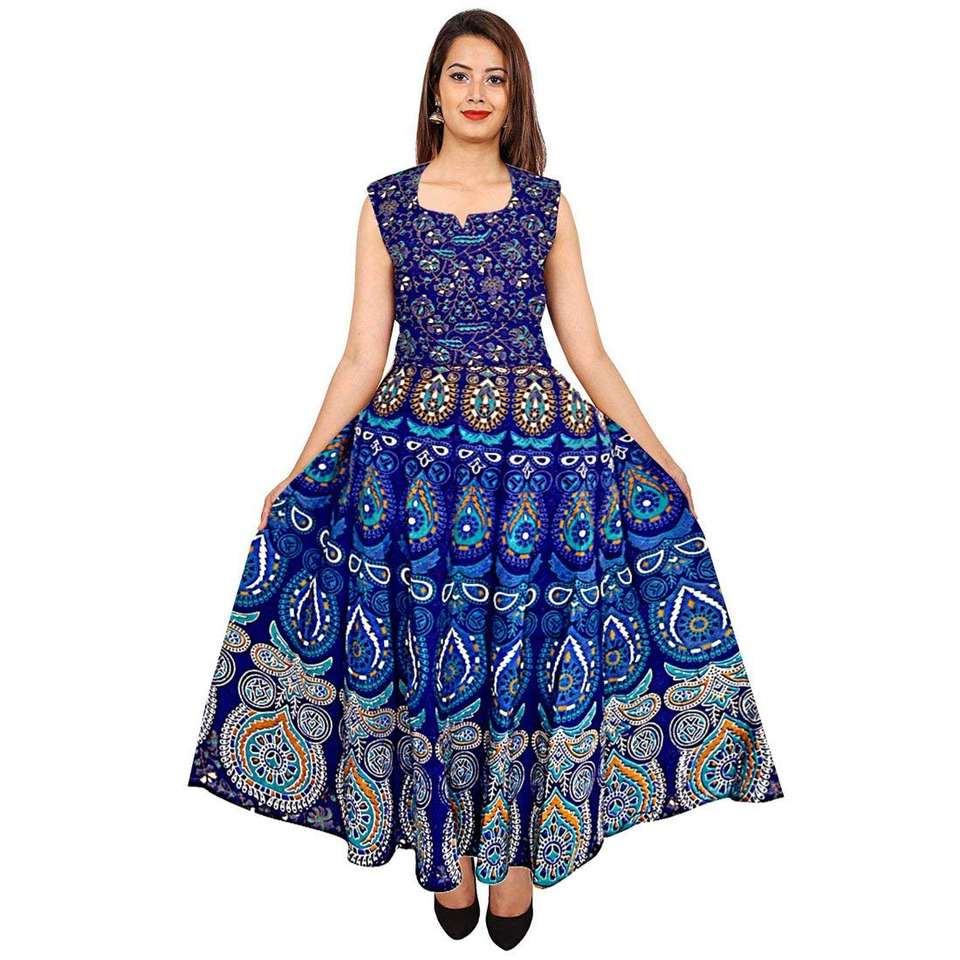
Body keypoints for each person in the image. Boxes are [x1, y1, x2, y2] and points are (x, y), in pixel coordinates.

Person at [187, 9, 784, 949]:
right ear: (434, 92)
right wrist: (299, 468)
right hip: (414, 472)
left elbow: (586, 349)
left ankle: (513, 857)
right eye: (460, 75)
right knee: (436, 654)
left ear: (514, 98)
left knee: (524, 653)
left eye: (495, 78)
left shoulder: (546, 204)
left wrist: (661, 453)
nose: (476, 93)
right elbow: (361, 354)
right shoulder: (385, 203)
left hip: (536, 474)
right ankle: (449, 852)